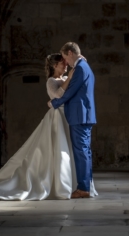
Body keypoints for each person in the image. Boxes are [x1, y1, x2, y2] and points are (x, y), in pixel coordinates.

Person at [0, 53, 97, 200]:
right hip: (57, 118)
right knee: (57, 149)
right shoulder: (51, 81)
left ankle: (76, 183)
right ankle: (59, 184)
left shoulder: (66, 77)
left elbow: (76, 82)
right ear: (55, 65)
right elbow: (57, 96)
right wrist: (68, 78)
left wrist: (80, 61)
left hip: (67, 117)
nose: (66, 65)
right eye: (63, 63)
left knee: (69, 150)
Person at [48, 42, 96, 199]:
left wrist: (54, 103)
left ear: (69, 53)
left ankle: (83, 188)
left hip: (79, 115)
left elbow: (70, 92)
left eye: (65, 58)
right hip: (84, 114)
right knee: (85, 151)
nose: (65, 63)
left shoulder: (80, 68)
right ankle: (86, 185)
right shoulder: (84, 66)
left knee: (81, 151)